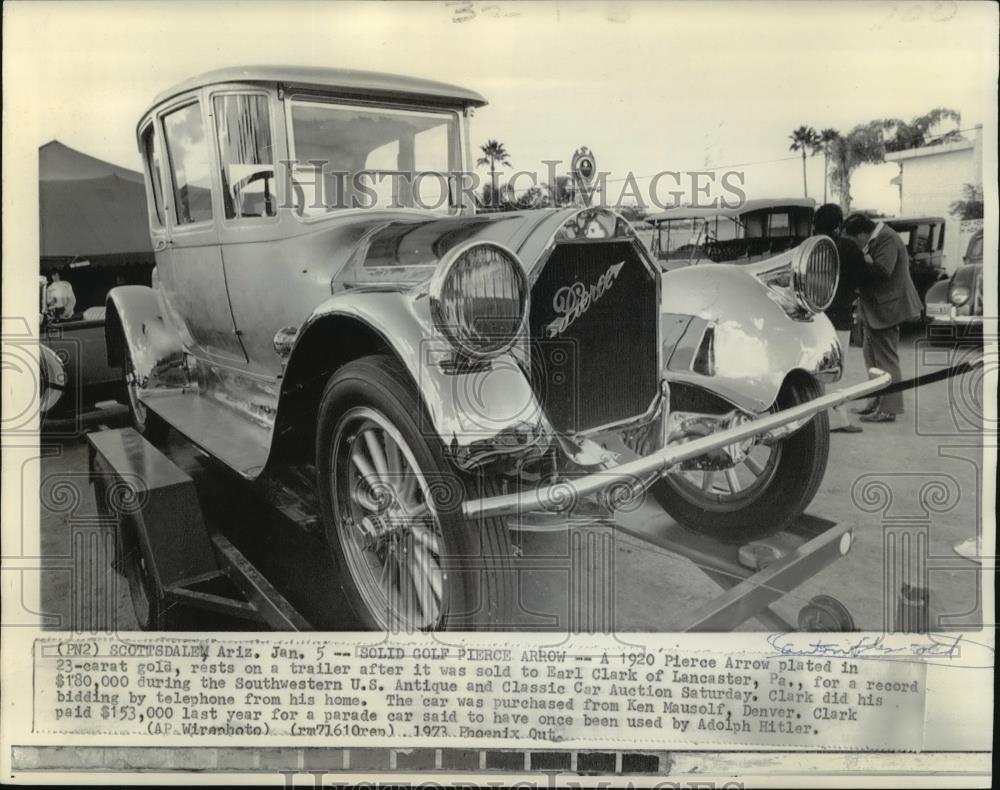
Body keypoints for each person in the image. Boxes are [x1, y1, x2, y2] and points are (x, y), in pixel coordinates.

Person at [841, 213, 922, 423]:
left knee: (886, 359)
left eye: (853, 240)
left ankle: (889, 409)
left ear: (861, 233)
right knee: (871, 357)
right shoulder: (878, 237)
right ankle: (876, 402)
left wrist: (863, 260)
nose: (853, 245)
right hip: (875, 308)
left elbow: (882, 270)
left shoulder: (887, 238)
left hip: (888, 308)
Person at [813, 204, 864, 433]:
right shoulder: (847, 247)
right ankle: (839, 420)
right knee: (836, 368)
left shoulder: (808, 246)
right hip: (840, 315)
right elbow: (865, 277)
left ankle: (810, 416)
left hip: (813, 314)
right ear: (839, 224)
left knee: (814, 366)